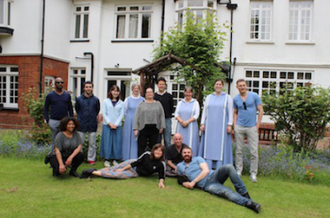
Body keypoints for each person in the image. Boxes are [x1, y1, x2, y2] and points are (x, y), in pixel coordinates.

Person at [177, 147, 261, 213]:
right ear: (182, 154)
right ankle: (249, 203)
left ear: (192, 154)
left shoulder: (197, 159)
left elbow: (206, 171)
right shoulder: (179, 166)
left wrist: (193, 182)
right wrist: (186, 184)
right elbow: (181, 180)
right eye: (184, 153)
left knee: (229, 167)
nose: (186, 154)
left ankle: (244, 194)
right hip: (207, 185)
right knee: (226, 192)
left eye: (188, 152)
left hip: (213, 175)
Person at [81, 144, 166, 189]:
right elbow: (136, 163)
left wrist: (161, 183)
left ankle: (92, 172)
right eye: (156, 150)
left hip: (135, 173)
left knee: (116, 175)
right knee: (114, 168)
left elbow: (161, 175)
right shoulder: (147, 155)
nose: (158, 152)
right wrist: (122, 169)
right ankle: (96, 171)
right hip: (131, 164)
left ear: (162, 153)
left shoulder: (160, 164)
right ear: (153, 150)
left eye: (160, 151)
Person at [233, 79, 264, 183]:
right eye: (240, 86)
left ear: (246, 85)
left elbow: (261, 111)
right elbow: (235, 112)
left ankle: (253, 173)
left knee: (254, 152)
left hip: (252, 127)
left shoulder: (254, 96)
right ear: (237, 87)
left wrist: (257, 125)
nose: (242, 87)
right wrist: (235, 125)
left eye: (243, 85)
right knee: (239, 150)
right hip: (240, 127)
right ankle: (238, 171)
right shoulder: (236, 99)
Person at [199, 79, 233, 170]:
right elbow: (205, 111)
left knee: (220, 146)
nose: (218, 86)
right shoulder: (209, 97)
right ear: (214, 86)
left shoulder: (227, 97)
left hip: (222, 126)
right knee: (209, 145)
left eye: (220, 84)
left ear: (222, 86)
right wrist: (202, 123)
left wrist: (230, 124)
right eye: (216, 84)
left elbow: (230, 112)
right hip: (210, 125)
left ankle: (220, 166)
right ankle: (208, 165)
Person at [44, 77, 74, 150]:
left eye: (61, 82)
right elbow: (45, 108)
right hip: (53, 120)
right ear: (55, 84)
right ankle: (54, 156)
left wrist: (71, 119)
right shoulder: (50, 95)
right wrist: (48, 120)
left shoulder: (67, 95)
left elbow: (70, 108)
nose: (60, 84)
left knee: (64, 140)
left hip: (64, 121)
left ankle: (63, 156)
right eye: (58, 82)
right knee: (55, 140)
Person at [134, 87, 165, 156]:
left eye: (151, 92)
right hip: (143, 128)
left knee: (154, 147)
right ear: (145, 94)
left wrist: (162, 127)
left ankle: (152, 163)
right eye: (148, 92)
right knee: (141, 146)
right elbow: (136, 116)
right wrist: (135, 128)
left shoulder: (158, 104)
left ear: (153, 94)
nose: (149, 94)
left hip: (155, 128)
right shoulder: (141, 104)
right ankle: (141, 163)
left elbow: (162, 115)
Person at [75, 81, 100, 165]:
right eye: (87, 87)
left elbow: (97, 110)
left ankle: (91, 159)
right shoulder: (79, 99)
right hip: (81, 123)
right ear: (84, 88)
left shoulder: (96, 100)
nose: (88, 88)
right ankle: (79, 158)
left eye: (90, 87)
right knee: (79, 143)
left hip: (92, 123)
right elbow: (77, 110)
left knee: (92, 143)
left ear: (92, 88)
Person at [100, 85, 124, 167]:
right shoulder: (106, 101)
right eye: (114, 90)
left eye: (117, 91)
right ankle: (106, 159)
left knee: (116, 142)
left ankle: (115, 159)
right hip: (107, 125)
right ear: (110, 91)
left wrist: (116, 124)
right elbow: (104, 113)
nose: (115, 92)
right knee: (107, 142)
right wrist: (110, 123)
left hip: (117, 126)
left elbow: (121, 114)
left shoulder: (121, 102)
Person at [174, 87, 200, 155]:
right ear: (184, 93)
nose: (188, 94)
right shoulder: (180, 102)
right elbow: (176, 114)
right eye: (186, 92)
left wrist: (187, 122)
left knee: (191, 142)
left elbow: (196, 115)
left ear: (192, 93)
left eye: (189, 92)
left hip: (191, 126)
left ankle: (191, 158)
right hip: (181, 126)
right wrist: (182, 121)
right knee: (179, 141)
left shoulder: (195, 103)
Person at [122, 84, 145, 160]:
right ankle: (126, 157)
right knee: (127, 138)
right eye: (134, 88)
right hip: (129, 121)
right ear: (132, 89)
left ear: (139, 89)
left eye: (137, 88)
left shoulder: (142, 99)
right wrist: (129, 118)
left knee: (136, 139)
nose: (136, 90)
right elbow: (124, 111)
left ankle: (134, 157)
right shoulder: (127, 99)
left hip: (139, 121)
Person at [154, 77, 174, 148]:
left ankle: (168, 158)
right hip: (156, 120)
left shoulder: (169, 96)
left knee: (167, 140)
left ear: (165, 85)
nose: (161, 86)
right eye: (160, 84)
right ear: (157, 85)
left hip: (167, 119)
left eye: (163, 84)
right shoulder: (154, 96)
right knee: (157, 141)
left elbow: (171, 108)